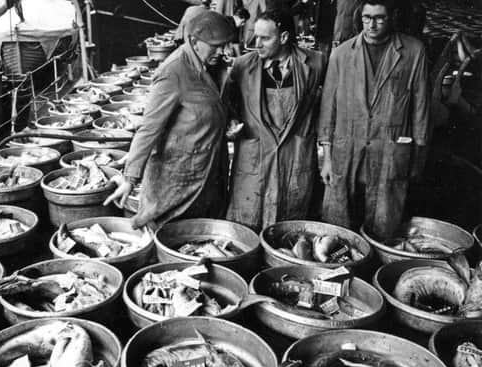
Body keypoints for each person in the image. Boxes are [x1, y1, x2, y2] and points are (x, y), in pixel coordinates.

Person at [105, 11, 235, 229]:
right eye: (215, 45)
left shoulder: (213, 66)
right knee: (170, 232)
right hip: (177, 177)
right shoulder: (173, 71)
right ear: (193, 41)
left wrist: (228, 120)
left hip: (208, 170)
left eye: (224, 45)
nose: (222, 51)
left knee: (202, 234)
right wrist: (130, 177)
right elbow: (149, 129)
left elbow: (214, 103)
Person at [318, 0, 429, 239]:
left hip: (389, 150)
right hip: (347, 150)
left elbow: (421, 110)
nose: (372, 24)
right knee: (340, 225)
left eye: (379, 18)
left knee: (384, 224)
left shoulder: (413, 52)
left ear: (392, 17)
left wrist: (417, 160)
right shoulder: (341, 54)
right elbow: (328, 109)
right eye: (367, 18)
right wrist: (327, 159)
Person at [224, 9, 327, 231]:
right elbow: (226, 104)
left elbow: (328, 106)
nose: (256, 43)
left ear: (283, 37)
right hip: (255, 154)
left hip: (295, 153)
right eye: (255, 35)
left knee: (290, 227)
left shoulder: (316, 63)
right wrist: (231, 123)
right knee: (246, 224)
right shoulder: (242, 66)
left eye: (265, 38)